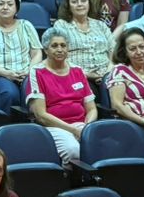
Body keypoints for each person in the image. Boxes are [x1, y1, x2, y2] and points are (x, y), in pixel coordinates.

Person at [26, 25, 98, 165]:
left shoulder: (77, 70)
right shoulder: (37, 72)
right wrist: (72, 129)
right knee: (74, 151)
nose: (60, 49)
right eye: (54, 46)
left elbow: (92, 109)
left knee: (102, 148)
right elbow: (41, 115)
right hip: (55, 127)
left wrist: (87, 127)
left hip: (81, 125)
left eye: (63, 45)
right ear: (46, 49)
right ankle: (70, 177)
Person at [53, 0, 113, 82]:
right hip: (76, 76)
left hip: (106, 74)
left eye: (83, 0)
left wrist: (107, 74)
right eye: (74, 2)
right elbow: (58, 55)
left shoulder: (100, 25)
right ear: (68, 6)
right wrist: (86, 74)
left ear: (89, 3)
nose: (79, 4)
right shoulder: (61, 25)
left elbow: (113, 51)